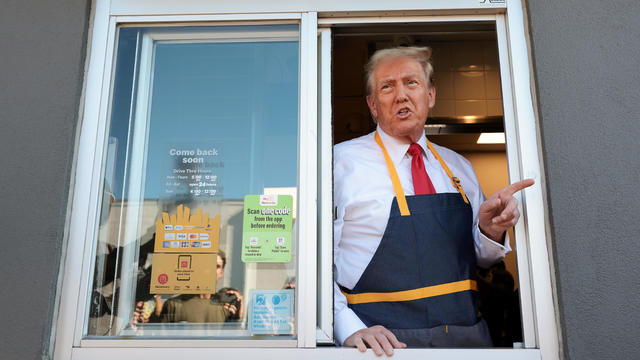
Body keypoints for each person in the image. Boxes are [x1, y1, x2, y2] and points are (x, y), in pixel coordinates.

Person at [333, 46, 534, 356]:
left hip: (467, 343)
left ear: (430, 96)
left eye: (411, 83)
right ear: (373, 105)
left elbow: (481, 260)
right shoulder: (339, 164)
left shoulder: (459, 167)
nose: (401, 95)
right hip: (384, 347)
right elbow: (313, 263)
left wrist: (490, 230)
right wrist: (347, 326)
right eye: (387, 86)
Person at [133, 250, 243, 323]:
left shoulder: (227, 307)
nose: (211, 270)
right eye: (207, 264)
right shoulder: (174, 305)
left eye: (216, 266)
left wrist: (237, 316)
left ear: (221, 272)